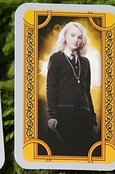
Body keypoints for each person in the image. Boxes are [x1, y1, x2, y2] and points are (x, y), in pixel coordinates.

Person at [45, 22, 97, 157]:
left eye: (79, 37)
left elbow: (87, 91)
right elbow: (51, 87)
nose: (76, 40)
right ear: (65, 37)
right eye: (72, 35)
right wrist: (53, 115)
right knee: (65, 153)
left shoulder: (85, 62)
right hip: (64, 115)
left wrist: (92, 118)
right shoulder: (56, 58)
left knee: (84, 154)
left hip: (84, 117)